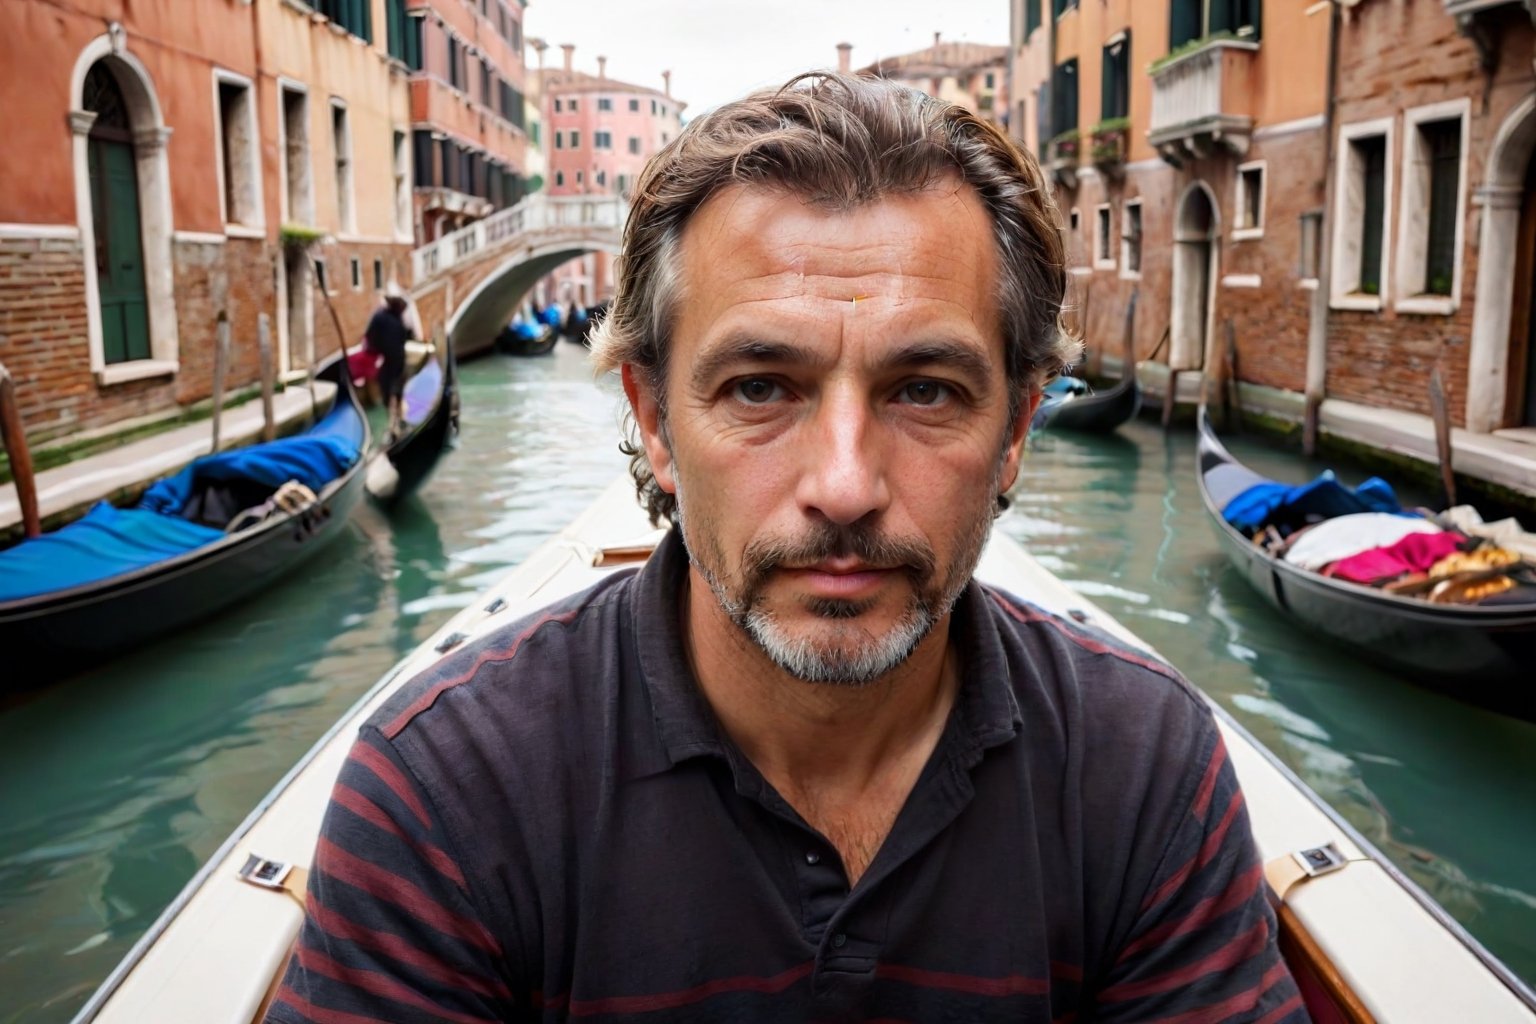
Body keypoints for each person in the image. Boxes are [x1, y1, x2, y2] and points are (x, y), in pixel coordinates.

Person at [266, 73, 1306, 1024]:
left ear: (1017, 432)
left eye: (926, 390)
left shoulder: (1145, 766)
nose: (845, 486)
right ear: (657, 424)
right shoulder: (446, 793)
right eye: (761, 388)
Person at [366, 282, 415, 439]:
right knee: (393, 393)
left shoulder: (384, 317)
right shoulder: (390, 318)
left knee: (393, 393)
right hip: (390, 362)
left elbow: (371, 337)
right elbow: (408, 337)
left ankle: (396, 423)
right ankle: (395, 424)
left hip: (393, 361)